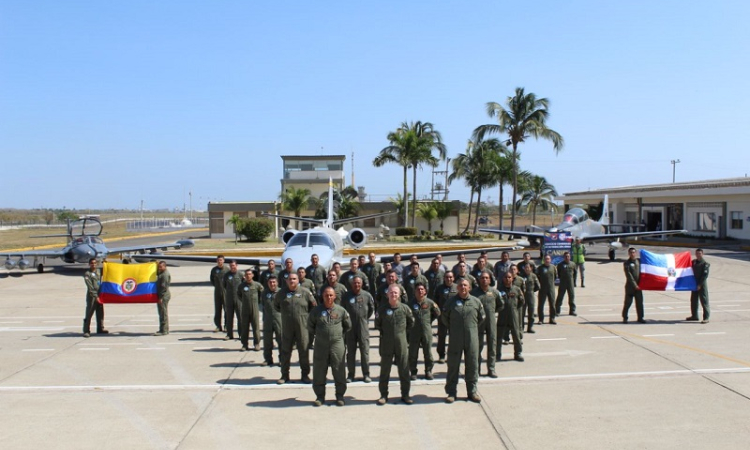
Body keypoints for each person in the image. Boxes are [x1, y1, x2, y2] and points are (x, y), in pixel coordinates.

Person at [307, 286, 352, 407]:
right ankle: (320, 396)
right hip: (321, 345)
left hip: (337, 344)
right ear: (323, 296)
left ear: (335, 296)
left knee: (339, 370)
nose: (329, 297)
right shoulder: (316, 311)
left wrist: (337, 336)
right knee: (319, 371)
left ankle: (340, 396)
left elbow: (348, 326)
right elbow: (310, 326)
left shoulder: (341, 311)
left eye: (331, 295)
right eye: (326, 295)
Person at [442, 278, 485, 403]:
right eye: (460, 285)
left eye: (465, 285)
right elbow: (445, 318)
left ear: (470, 288)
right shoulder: (450, 302)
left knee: (472, 364)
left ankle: (472, 391)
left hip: (472, 338)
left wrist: (471, 328)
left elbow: (481, 318)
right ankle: (451, 392)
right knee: (453, 365)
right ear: (457, 288)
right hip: (456, 338)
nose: (463, 287)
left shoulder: (476, 302)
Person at [374, 284, 415, 405]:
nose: (393, 294)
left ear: (399, 295)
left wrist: (401, 334)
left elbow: (411, 323)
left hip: (401, 343)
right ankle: (383, 395)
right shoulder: (381, 310)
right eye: (391, 292)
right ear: (387, 294)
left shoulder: (405, 309)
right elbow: (378, 324)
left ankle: (405, 394)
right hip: (386, 343)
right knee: (385, 369)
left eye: (396, 293)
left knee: (404, 369)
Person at [274, 273, 317, 384]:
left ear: (298, 280)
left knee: (303, 350)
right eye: (290, 279)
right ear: (287, 281)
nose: (292, 281)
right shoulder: (281, 293)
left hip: (302, 327)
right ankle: (284, 375)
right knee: (285, 351)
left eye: (294, 279)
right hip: (287, 327)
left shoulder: (305, 292)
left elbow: (314, 307)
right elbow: (277, 306)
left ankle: (305, 375)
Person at [342, 276, 375, 383]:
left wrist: (363, 319)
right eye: (355, 283)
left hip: (363, 327)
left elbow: (371, 309)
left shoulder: (367, 295)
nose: (356, 285)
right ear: (351, 284)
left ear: (361, 284)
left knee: (364, 352)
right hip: (350, 328)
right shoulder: (346, 296)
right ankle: (351, 375)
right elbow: (343, 310)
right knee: (351, 352)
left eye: (358, 283)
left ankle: (366, 374)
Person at [471, 272, 503, 378]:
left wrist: (492, 313)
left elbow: (500, 305)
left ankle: (491, 369)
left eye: (486, 278)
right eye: (482, 278)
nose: (484, 280)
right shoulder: (474, 293)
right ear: (479, 280)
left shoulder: (494, 292)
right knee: (477, 346)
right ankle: (477, 369)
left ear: (490, 280)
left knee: (492, 345)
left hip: (491, 322)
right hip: (478, 323)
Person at [408, 283, 440, 380]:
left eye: (422, 289)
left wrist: (429, 321)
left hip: (426, 331)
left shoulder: (429, 303)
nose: (420, 291)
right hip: (414, 332)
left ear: (425, 291)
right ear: (415, 291)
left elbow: (437, 312)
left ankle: (428, 371)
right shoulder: (410, 304)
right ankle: (413, 372)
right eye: (418, 289)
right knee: (413, 353)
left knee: (428, 353)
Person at [497, 272, 524, 362]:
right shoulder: (499, 290)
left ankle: (518, 353)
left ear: (512, 278)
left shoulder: (516, 289)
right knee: (499, 336)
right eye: (506, 277)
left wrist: (514, 309)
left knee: (516, 335)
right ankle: (497, 354)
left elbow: (521, 301)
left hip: (513, 316)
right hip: (502, 316)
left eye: (509, 277)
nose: (507, 279)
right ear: (503, 279)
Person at [434, 271, 457, 364]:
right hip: (443, 316)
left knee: (454, 337)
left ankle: (452, 355)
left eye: (451, 277)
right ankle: (441, 355)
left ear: (453, 278)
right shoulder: (439, 288)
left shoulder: (457, 287)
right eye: (447, 277)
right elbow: (435, 302)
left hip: (454, 317)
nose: (449, 279)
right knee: (442, 336)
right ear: (444, 278)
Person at [238, 268, 263, 351]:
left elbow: (262, 294)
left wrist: (258, 302)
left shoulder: (257, 285)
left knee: (256, 327)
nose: (248, 276)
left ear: (252, 275)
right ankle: (244, 344)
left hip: (255, 308)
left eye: (249, 274)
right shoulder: (241, 286)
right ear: (244, 276)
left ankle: (257, 343)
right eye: (246, 274)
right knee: (244, 327)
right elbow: (239, 295)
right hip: (245, 308)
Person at [82, 258, 107, 338]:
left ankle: (100, 328)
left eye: (95, 263)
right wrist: (96, 297)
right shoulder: (87, 274)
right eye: (92, 263)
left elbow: (107, 270)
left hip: (100, 295)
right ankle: (86, 330)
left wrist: (106, 264)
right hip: (92, 297)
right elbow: (90, 287)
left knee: (100, 313)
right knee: (89, 313)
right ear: (89, 264)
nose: (93, 264)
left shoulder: (98, 272)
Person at [261, 275, 282, 366]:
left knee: (281, 340)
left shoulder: (281, 292)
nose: (272, 284)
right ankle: (268, 359)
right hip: (267, 320)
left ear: (277, 283)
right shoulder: (264, 293)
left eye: (274, 282)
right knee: (267, 341)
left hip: (279, 319)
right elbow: (262, 305)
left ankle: (282, 359)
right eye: (270, 282)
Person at [687, 248, 711, 324]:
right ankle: (694, 316)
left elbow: (705, 276)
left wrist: (700, 285)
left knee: (704, 301)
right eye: (697, 253)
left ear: (702, 254)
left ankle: (706, 317)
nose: (698, 255)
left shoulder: (705, 264)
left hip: (702, 285)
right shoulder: (693, 262)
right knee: (693, 300)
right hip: (694, 284)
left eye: (700, 253)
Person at [222, 260, 243, 340]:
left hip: (238, 299)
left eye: (233, 265)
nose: (232, 267)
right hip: (229, 299)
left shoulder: (240, 274)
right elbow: (224, 285)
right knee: (229, 317)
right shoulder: (226, 275)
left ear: (236, 266)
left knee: (240, 317)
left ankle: (241, 334)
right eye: (231, 266)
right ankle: (229, 334)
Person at [623, 247, 644, 323]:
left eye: (633, 252)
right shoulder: (626, 263)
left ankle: (640, 318)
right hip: (630, 288)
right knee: (628, 303)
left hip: (639, 287)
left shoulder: (639, 262)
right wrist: (635, 286)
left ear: (636, 253)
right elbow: (629, 276)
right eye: (631, 252)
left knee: (639, 303)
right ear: (629, 254)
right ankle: (625, 317)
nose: (632, 254)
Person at [209, 255, 229, 333]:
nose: (219, 262)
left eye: (221, 260)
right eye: (218, 260)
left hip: (225, 292)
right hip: (217, 291)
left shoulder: (227, 269)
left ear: (223, 261)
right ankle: (218, 326)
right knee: (217, 309)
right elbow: (212, 280)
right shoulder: (214, 270)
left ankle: (226, 326)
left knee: (227, 310)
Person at [536, 255, 558, 324]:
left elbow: (555, 276)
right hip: (542, 288)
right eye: (545, 259)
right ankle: (541, 319)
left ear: (550, 260)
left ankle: (552, 318)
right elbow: (537, 277)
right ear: (543, 260)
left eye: (548, 259)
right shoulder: (540, 268)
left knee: (552, 304)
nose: (547, 260)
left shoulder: (553, 267)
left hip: (551, 288)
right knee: (541, 305)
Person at [555, 252, 577, 316]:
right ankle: (557, 311)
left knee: (571, 297)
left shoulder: (573, 264)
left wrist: (574, 281)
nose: (567, 258)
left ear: (570, 257)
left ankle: (572, 310)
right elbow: (558, 273)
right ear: (564, 257)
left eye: (568, 256)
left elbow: (575, 273)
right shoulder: (560, 265)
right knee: (560, 297)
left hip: (570, 283)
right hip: (562, 283)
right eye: (566, 256)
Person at [521, 264, 540, 333]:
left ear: (531, 268)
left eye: (528, 268)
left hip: (531, 295)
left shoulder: (533, 276)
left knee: (531, 312)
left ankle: (530, 327)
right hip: (523, 295)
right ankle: (521, 328)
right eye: (525, 268)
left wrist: (532, 291)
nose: (527, 269)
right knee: (522, 313)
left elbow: (538, 286)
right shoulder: (521, 276)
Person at [154, 261, 171, 336]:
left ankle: (164, 331)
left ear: (165, 266)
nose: (159, 268)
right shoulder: (161, 273)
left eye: (161, 267)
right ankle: (162, 329)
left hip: (163, 296)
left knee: (163, 313)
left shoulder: (165, 275)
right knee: (161, 312)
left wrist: (160, 297)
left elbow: (164, 287)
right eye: (159, 267)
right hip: (161, 295)